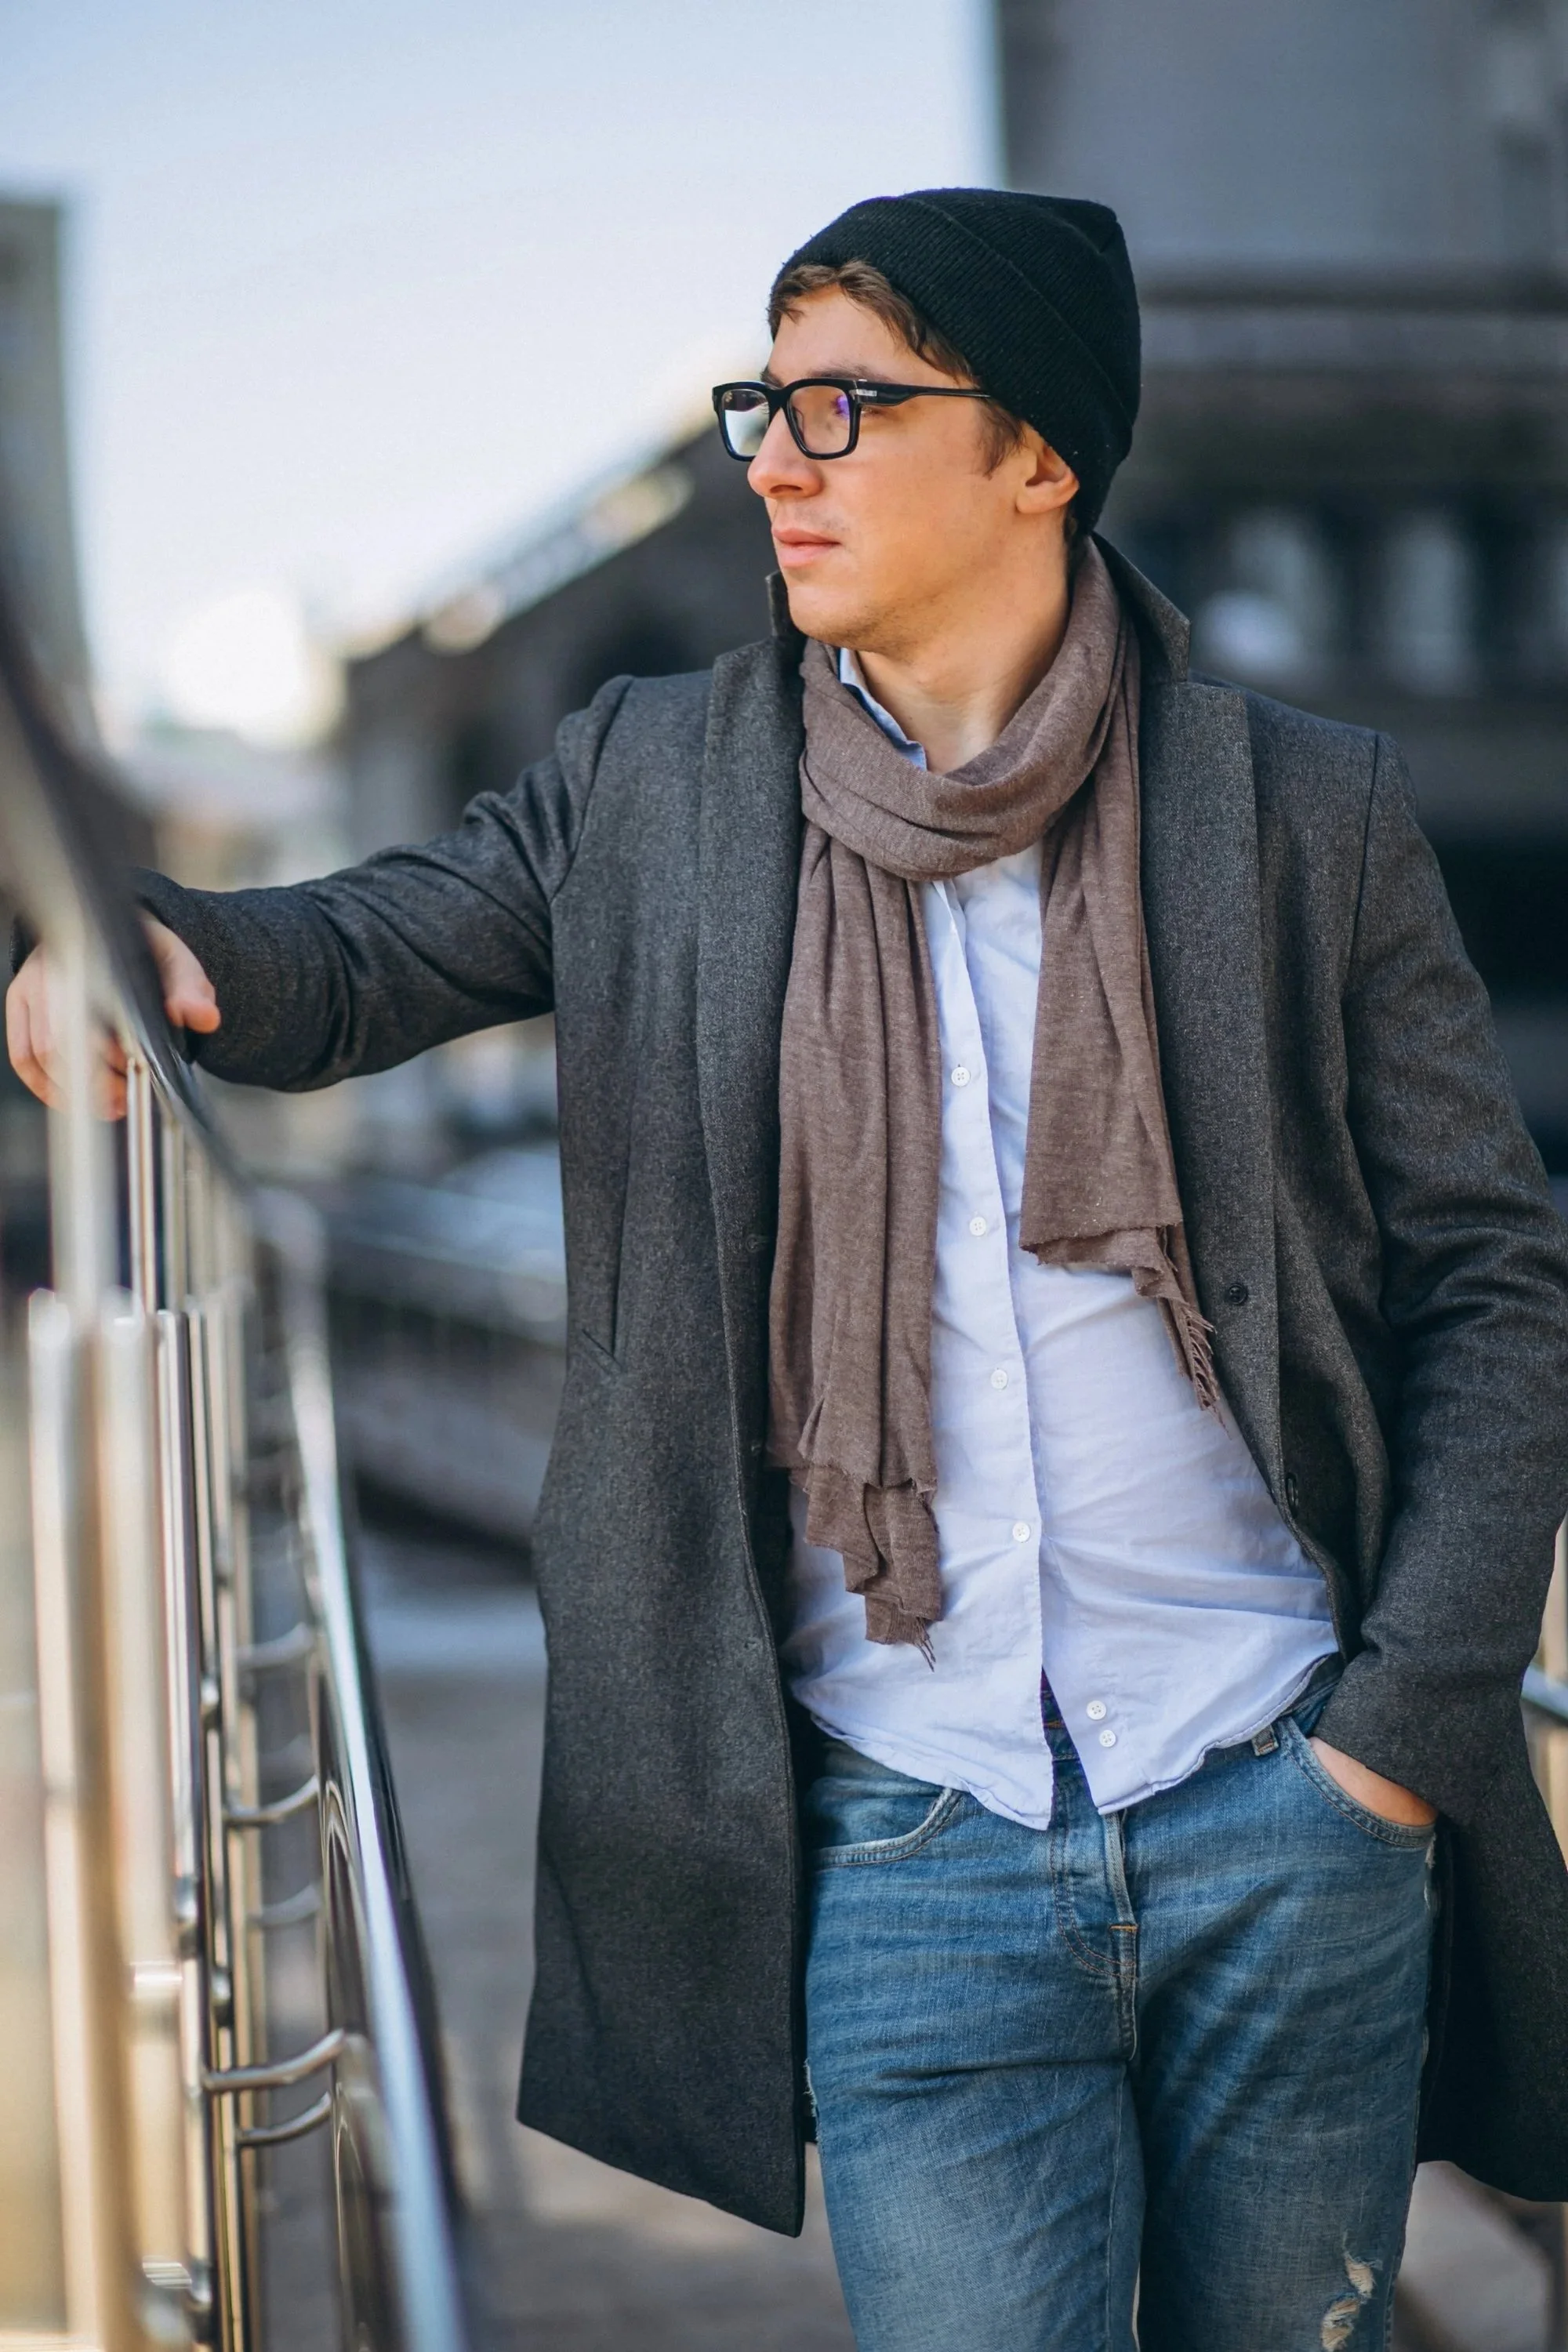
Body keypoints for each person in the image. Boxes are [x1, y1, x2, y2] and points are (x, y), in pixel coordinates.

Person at [11, 188, 1568, 2352]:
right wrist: (174, 950)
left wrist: (1390, 1737)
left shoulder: (1303, 810)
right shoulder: (658, 782)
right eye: (769, 400)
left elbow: (1494, 1276)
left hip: (1275, 1799)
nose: (774, 458)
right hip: (898, 1838)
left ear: (1037, 454)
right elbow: (374, 942)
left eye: (846, 404)